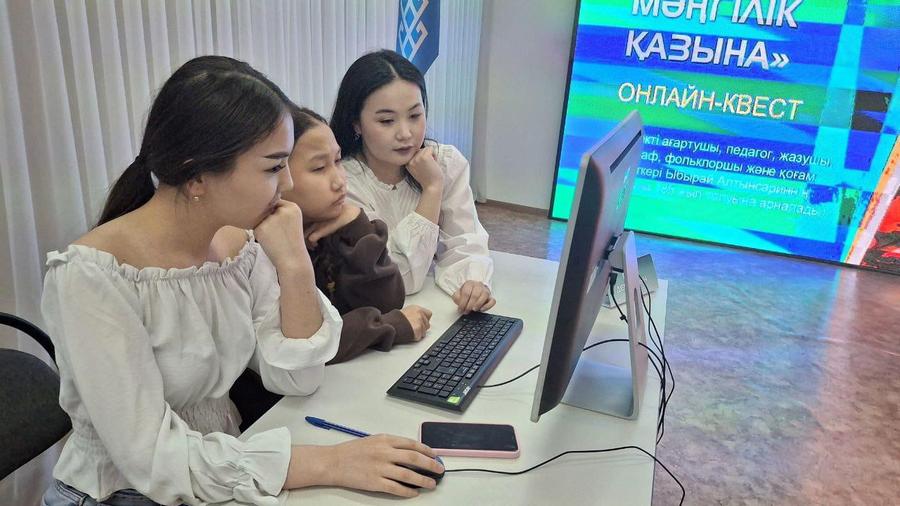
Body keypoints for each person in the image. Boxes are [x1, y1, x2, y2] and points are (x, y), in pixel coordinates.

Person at [40, 56, 443, 506]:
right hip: (123, 493)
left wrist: (294, 264)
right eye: (273, 167)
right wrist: (327, 462)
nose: (287, 183)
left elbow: (298, 378)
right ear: (197, 175)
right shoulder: (92, 276)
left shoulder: (237, 246)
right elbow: (151, 458)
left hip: (226, 469)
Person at [330, 49, 496, 314]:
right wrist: (432, 189)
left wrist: (473, 282)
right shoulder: (343, 183)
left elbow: (465, 240)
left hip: (436, 311)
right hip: (380, 317)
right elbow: (400, 278)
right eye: (387, 121)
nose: (406, 133)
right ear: (356, 124)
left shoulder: (445, 161)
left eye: (415, 116)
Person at [282, 105, 433, 363]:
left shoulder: (331, 224)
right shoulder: (262, 247)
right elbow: (303, 346)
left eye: (337, 161)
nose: (340, 181)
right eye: (319, 168)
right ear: (277, 174)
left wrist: (356, 224)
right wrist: (387, 327)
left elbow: (388, 302)